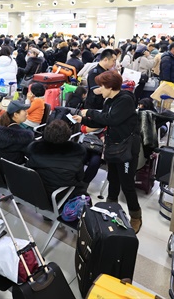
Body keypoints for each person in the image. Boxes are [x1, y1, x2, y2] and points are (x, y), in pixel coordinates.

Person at [72, 70, 142, 233]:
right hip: (113, 145)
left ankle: (136, 215)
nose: (99, 90)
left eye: (101, 87)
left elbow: (112, 119)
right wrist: (83, 119)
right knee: (113, 178)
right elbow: (104, 118)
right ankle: (112, 206)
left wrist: (89, 112)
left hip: (127, 148)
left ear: (110, 87)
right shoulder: (110, 100)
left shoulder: (125, 100)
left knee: (127, 183)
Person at [26, 120, 96, 196]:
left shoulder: (35, 151)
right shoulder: (76, 155)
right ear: (68, 134)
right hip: (62, 196)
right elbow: (80, 177)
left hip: (35, 193)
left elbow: (29, 169)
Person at [0, 100, 35, 166]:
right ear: (15, 114)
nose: (27, 113)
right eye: (24, 110)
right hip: (14, 172)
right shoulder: (24, 137)